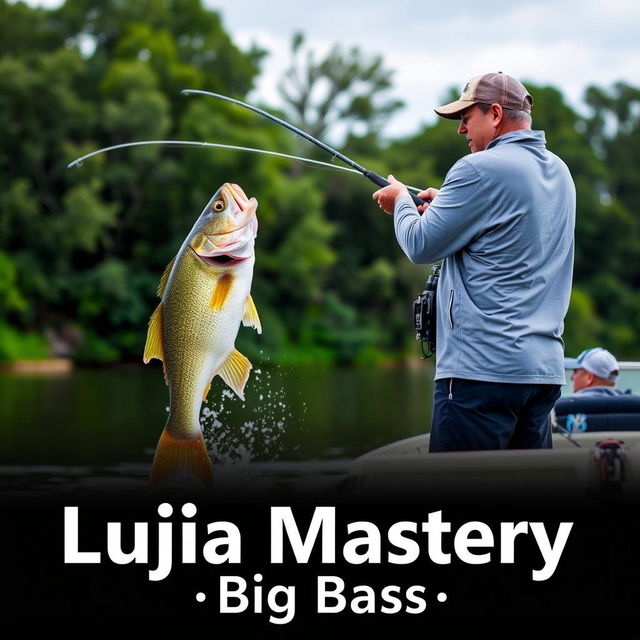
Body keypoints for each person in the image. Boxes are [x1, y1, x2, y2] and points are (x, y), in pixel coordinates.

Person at [372, 72, 576, 452]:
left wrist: (401, 200)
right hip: (543, 375)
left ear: (495, 114)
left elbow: (419, 244)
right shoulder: (560, 172)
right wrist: (449, 207)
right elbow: (502, 231)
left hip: (480, 375)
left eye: (467, 117)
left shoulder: (477, 169)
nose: (461, 129)